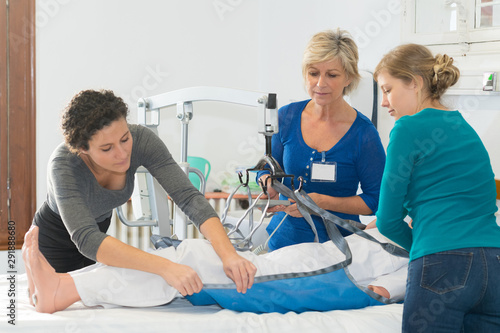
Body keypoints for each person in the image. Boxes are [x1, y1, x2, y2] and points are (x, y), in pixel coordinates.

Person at [31, 89, 256, 297]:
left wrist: (229, 255)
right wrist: (166, 267)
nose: (121, 153)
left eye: (124, 139)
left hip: (98, 229)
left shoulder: (142, 140)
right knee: (58, 302)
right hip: (55, 237)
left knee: (96, 302)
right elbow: (86, 239)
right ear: (82, 149)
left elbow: (187, 197)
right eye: (107, 148)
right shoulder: (63, 164)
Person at [374, 43, 500, 332]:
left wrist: (423, 248)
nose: (383, 102)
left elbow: (387, 221)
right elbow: (454, 189)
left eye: (387, 89)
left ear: (415, 83)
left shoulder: (407, 128)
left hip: (443, 266)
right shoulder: (462, 127)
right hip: (494, 264)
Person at [23, 224, 408, 314]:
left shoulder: (422, 255)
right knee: (191, 256)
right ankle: (64, 283)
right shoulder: (395, 227)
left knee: (189, 266)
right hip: (292, 259)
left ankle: (65, 290)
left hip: (304, 276)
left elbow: (382, 291)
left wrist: (381, 293)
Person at [257, 29, 386, 250]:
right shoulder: (286, 117)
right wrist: (267, 185)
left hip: (337, 249)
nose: (320, 84)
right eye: (313, 73)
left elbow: (376, 201)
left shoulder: (363, 134)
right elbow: (266, 167)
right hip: (283, 243)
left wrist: (322, 203)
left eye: (332, 75)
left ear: (349, 77)